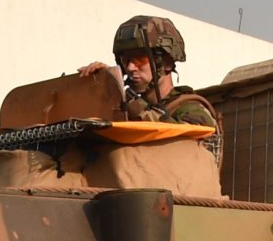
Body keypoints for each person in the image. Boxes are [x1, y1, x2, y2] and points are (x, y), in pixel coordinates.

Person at [87, 16, 218, 147]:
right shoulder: (127, 110)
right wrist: (101, 89)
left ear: (166, 63)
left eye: (140, 59)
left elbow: (178, 140)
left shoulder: (192, 109)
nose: (130, 67)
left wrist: (131, 103)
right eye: (125, 60)